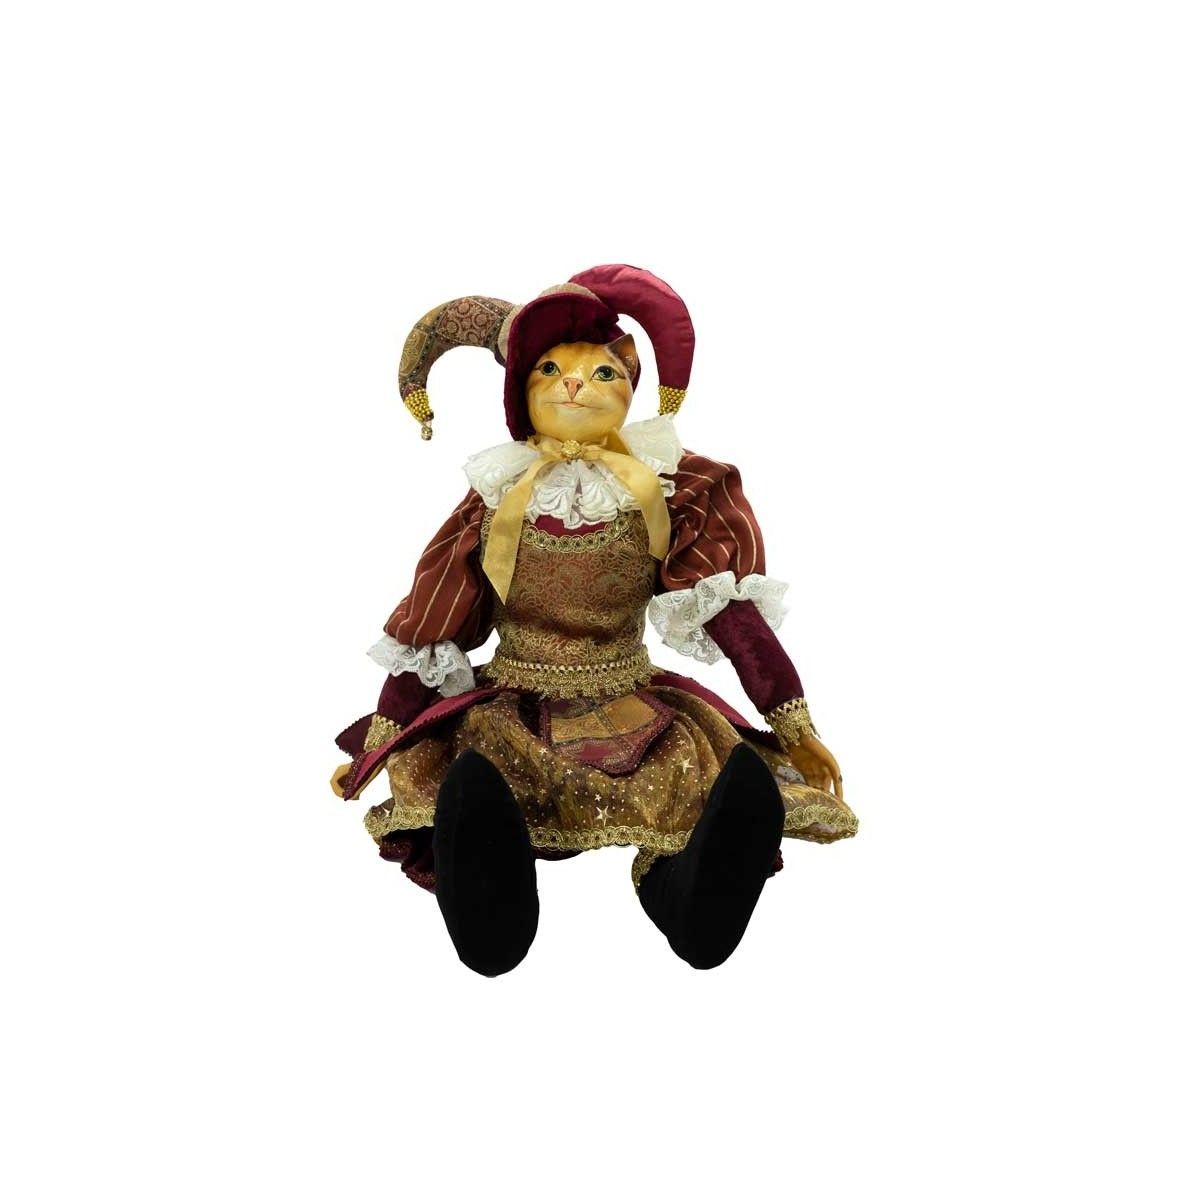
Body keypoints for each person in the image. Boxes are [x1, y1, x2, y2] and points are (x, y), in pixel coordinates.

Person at [332, 264, 856, 976]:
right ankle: (493, 899)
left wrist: (795, 726)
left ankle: (688, 891)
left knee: (688, 781)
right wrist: (379, 743)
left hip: (632, 700)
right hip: (513, 706)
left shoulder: (665, 492)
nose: (575, 385)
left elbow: (732, 617)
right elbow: (435, 626)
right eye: (550, 370)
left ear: (631, 388)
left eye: (602, 373)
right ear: (521, 394)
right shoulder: (495, 499)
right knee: (483, 780)